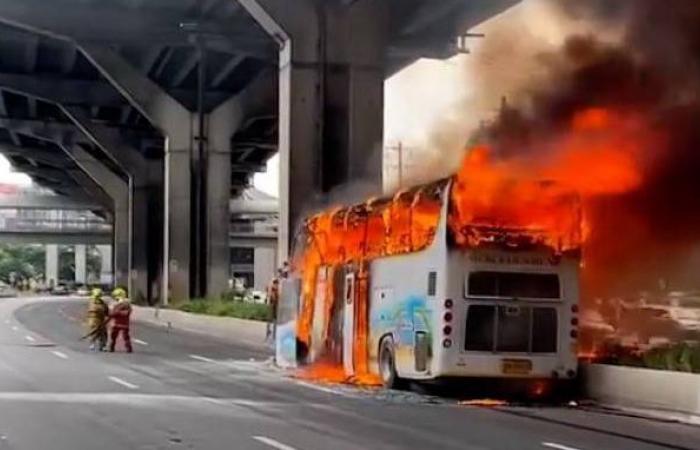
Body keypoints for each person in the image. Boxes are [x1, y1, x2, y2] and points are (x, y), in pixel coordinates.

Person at [109, 287, 133, 353]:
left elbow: (126, 313)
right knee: (116, 336)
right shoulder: (125, 304)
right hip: (122, 323)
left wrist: (116, 312)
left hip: (119, 323)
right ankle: (112, 347)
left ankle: (128, 348)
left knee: (119, 336)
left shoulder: (122, 304)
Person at [266, 277, 280, 342]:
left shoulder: (276, 290)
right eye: (275, 283)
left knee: (274, 321)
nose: (276, 285)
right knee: (270, 321)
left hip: (275, 307)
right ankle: (269, 333)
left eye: (276, 283)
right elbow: (270, 297)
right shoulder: (272, 290)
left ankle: (273, 334)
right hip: (272, 307)